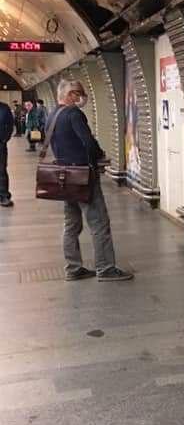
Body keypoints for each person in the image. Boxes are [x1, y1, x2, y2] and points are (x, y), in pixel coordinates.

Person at [48, 79, 132, 282]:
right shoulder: (73, 113)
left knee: (71, 224)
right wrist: (99, 155)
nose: (81, 98)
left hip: (64, 176)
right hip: (82, 176)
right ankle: (105, 268)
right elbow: (88, 142)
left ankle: (73, 268)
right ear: (70, 95)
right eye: (79, 94)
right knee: (99, 222)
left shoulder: (52, 115)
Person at [0, 100, 13, 207]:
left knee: (1, 170)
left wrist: (4, 139)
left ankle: (4, 196)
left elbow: (10, 124)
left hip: (0, 144)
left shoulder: (4, 108)